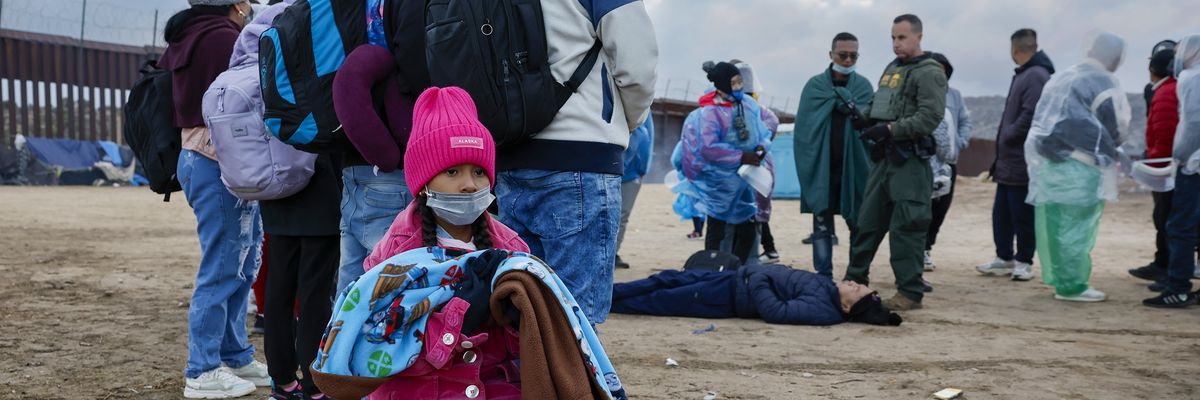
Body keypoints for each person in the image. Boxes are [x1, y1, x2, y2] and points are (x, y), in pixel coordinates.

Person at [492, 0, 657, 325]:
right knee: (575, 318)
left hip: (509, 154)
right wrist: (626, 121)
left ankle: (526, 376)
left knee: (521, 312)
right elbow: (637, 66)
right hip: (581, 154)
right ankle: (568, 378)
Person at [361, 86, 532, 398]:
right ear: (424, 182)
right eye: (452, 171)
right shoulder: (393, 254)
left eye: (479, 172)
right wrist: (457, 320)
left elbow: (529, 350)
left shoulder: (512, 248)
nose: (469, 184)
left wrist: (518, 317)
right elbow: (375, 347)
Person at [159, 1, 268, 398]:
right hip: (217, 160)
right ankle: (202, 370)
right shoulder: (223, 38)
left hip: (200, 158)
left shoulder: (190, 35)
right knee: (226, 265)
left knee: (240, 260)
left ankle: (234, 353)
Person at [843, 14, 947, 311]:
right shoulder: (893, 68)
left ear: (918, 37)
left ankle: (910, 293)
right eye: (893, 37)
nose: (896, 43)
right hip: (884, 160)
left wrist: (890, 129)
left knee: (907, 227)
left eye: (901, 37)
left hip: (909, 162)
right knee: (867, 223)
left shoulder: (930, 72)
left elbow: (929, 116)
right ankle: (854, 282)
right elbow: (881, 101)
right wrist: (863, 116)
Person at [1025, 32, 1130, 303]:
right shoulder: (1104, 82)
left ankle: (1059, 279)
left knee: (1054, 227)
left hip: (1050, 166)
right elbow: (1117, 127)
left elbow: (1042, 120)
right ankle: (1072, 286)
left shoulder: (1062, 77)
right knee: (1076, 229)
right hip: (1081, 168)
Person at [793, 32, 874, 278]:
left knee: (858, 224)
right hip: (822, 170)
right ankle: (823, 277)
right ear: (831, 55)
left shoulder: (863, 87)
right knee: (821, 224)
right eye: (843, 55)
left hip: (855, 168)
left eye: (853, 55)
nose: (848, 60)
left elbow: (871, 127)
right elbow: (803, 132)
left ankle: (856, 276)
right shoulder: (815, 87)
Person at [680, 62, 778, 264]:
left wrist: (761, 148)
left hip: (745, 179)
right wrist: (741, 156)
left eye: (741, 81)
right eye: (735, 82)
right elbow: (708, 147)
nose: (740, 86)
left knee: (748, 230)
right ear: (723, 84)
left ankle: (735, 268)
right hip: (720, 183)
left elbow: (763, 131)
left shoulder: (749, 105)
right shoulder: (711, 113)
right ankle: (711, 270)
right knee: (717, 229)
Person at [977, 28, 1054, 282]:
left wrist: (1009, 134)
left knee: (1022, 215)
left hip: (1022, 161)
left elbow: (1031, 114)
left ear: (1015, 50)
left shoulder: (1035, 75)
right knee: (1002, 214)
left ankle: (1023, 261)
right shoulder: (1026, 74)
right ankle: (1004, 258)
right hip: (1008, 162)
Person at [612, 264, 902, 327]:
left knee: (659, 299)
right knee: (665, 278)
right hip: (730, 277)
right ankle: (605, 294)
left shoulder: (823, 311)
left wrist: (758, 277)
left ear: (847, 307)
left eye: (855, 289)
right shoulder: (828, 290)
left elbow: (777, 312)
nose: (851, 282)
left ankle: (605, 304)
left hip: (726, 296)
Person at [1144, 34, 1200, 308]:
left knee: (1180, 226)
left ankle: (1178, 287)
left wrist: (1178, 158)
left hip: (1192, 166)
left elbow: (1191, 124)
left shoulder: (1191, 79)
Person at [1128, 42, 1181, 284]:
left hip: (1167, 167)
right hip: (1166, 164)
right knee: (1165, 218)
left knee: (1169, 219)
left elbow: (1165, 132)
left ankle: (1172, 273)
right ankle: (1165, 265)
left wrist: (1155, 166)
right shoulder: (1163, 90)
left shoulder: (1166, 92)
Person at [924, 52, 972, 272]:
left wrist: (960, 142)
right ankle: (919, 249)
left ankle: (927, 247)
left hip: (948, 162)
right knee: (923, 207)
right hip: (925, 162)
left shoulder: (954, 96)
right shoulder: (921, 93)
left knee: (941, 208)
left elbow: (965, 122)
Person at [615, 117, 655, 269]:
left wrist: (643, 169)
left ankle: (613, 254)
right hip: (609, 169)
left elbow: (648, 140)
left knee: (622, 216)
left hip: (631, 173)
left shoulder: (646, 111)